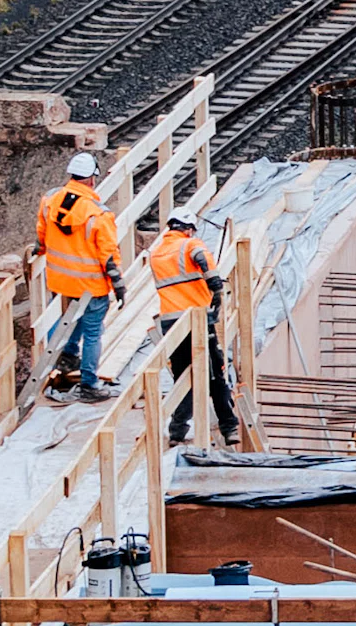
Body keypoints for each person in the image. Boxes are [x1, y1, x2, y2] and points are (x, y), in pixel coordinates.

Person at [139, 207, 241, 445]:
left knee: (184, 377)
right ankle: (229, 428)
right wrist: (215, 286)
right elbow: (201, 256)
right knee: (215, 374)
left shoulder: (157, 252)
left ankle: (177, 431)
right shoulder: (189, 244)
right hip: (196, 319)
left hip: (171, 323)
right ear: (188, 228)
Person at [29, 170, 124, 394]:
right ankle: (89, 384)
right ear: (91, 179)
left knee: (67, 317)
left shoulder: (50, 200)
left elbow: (41, 231)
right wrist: (118, 284)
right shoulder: (98, 214)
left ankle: (66, 355)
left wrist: (40, 248)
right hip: (91, 284)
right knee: (93, 332)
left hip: (61, 279)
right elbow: (108, 255)